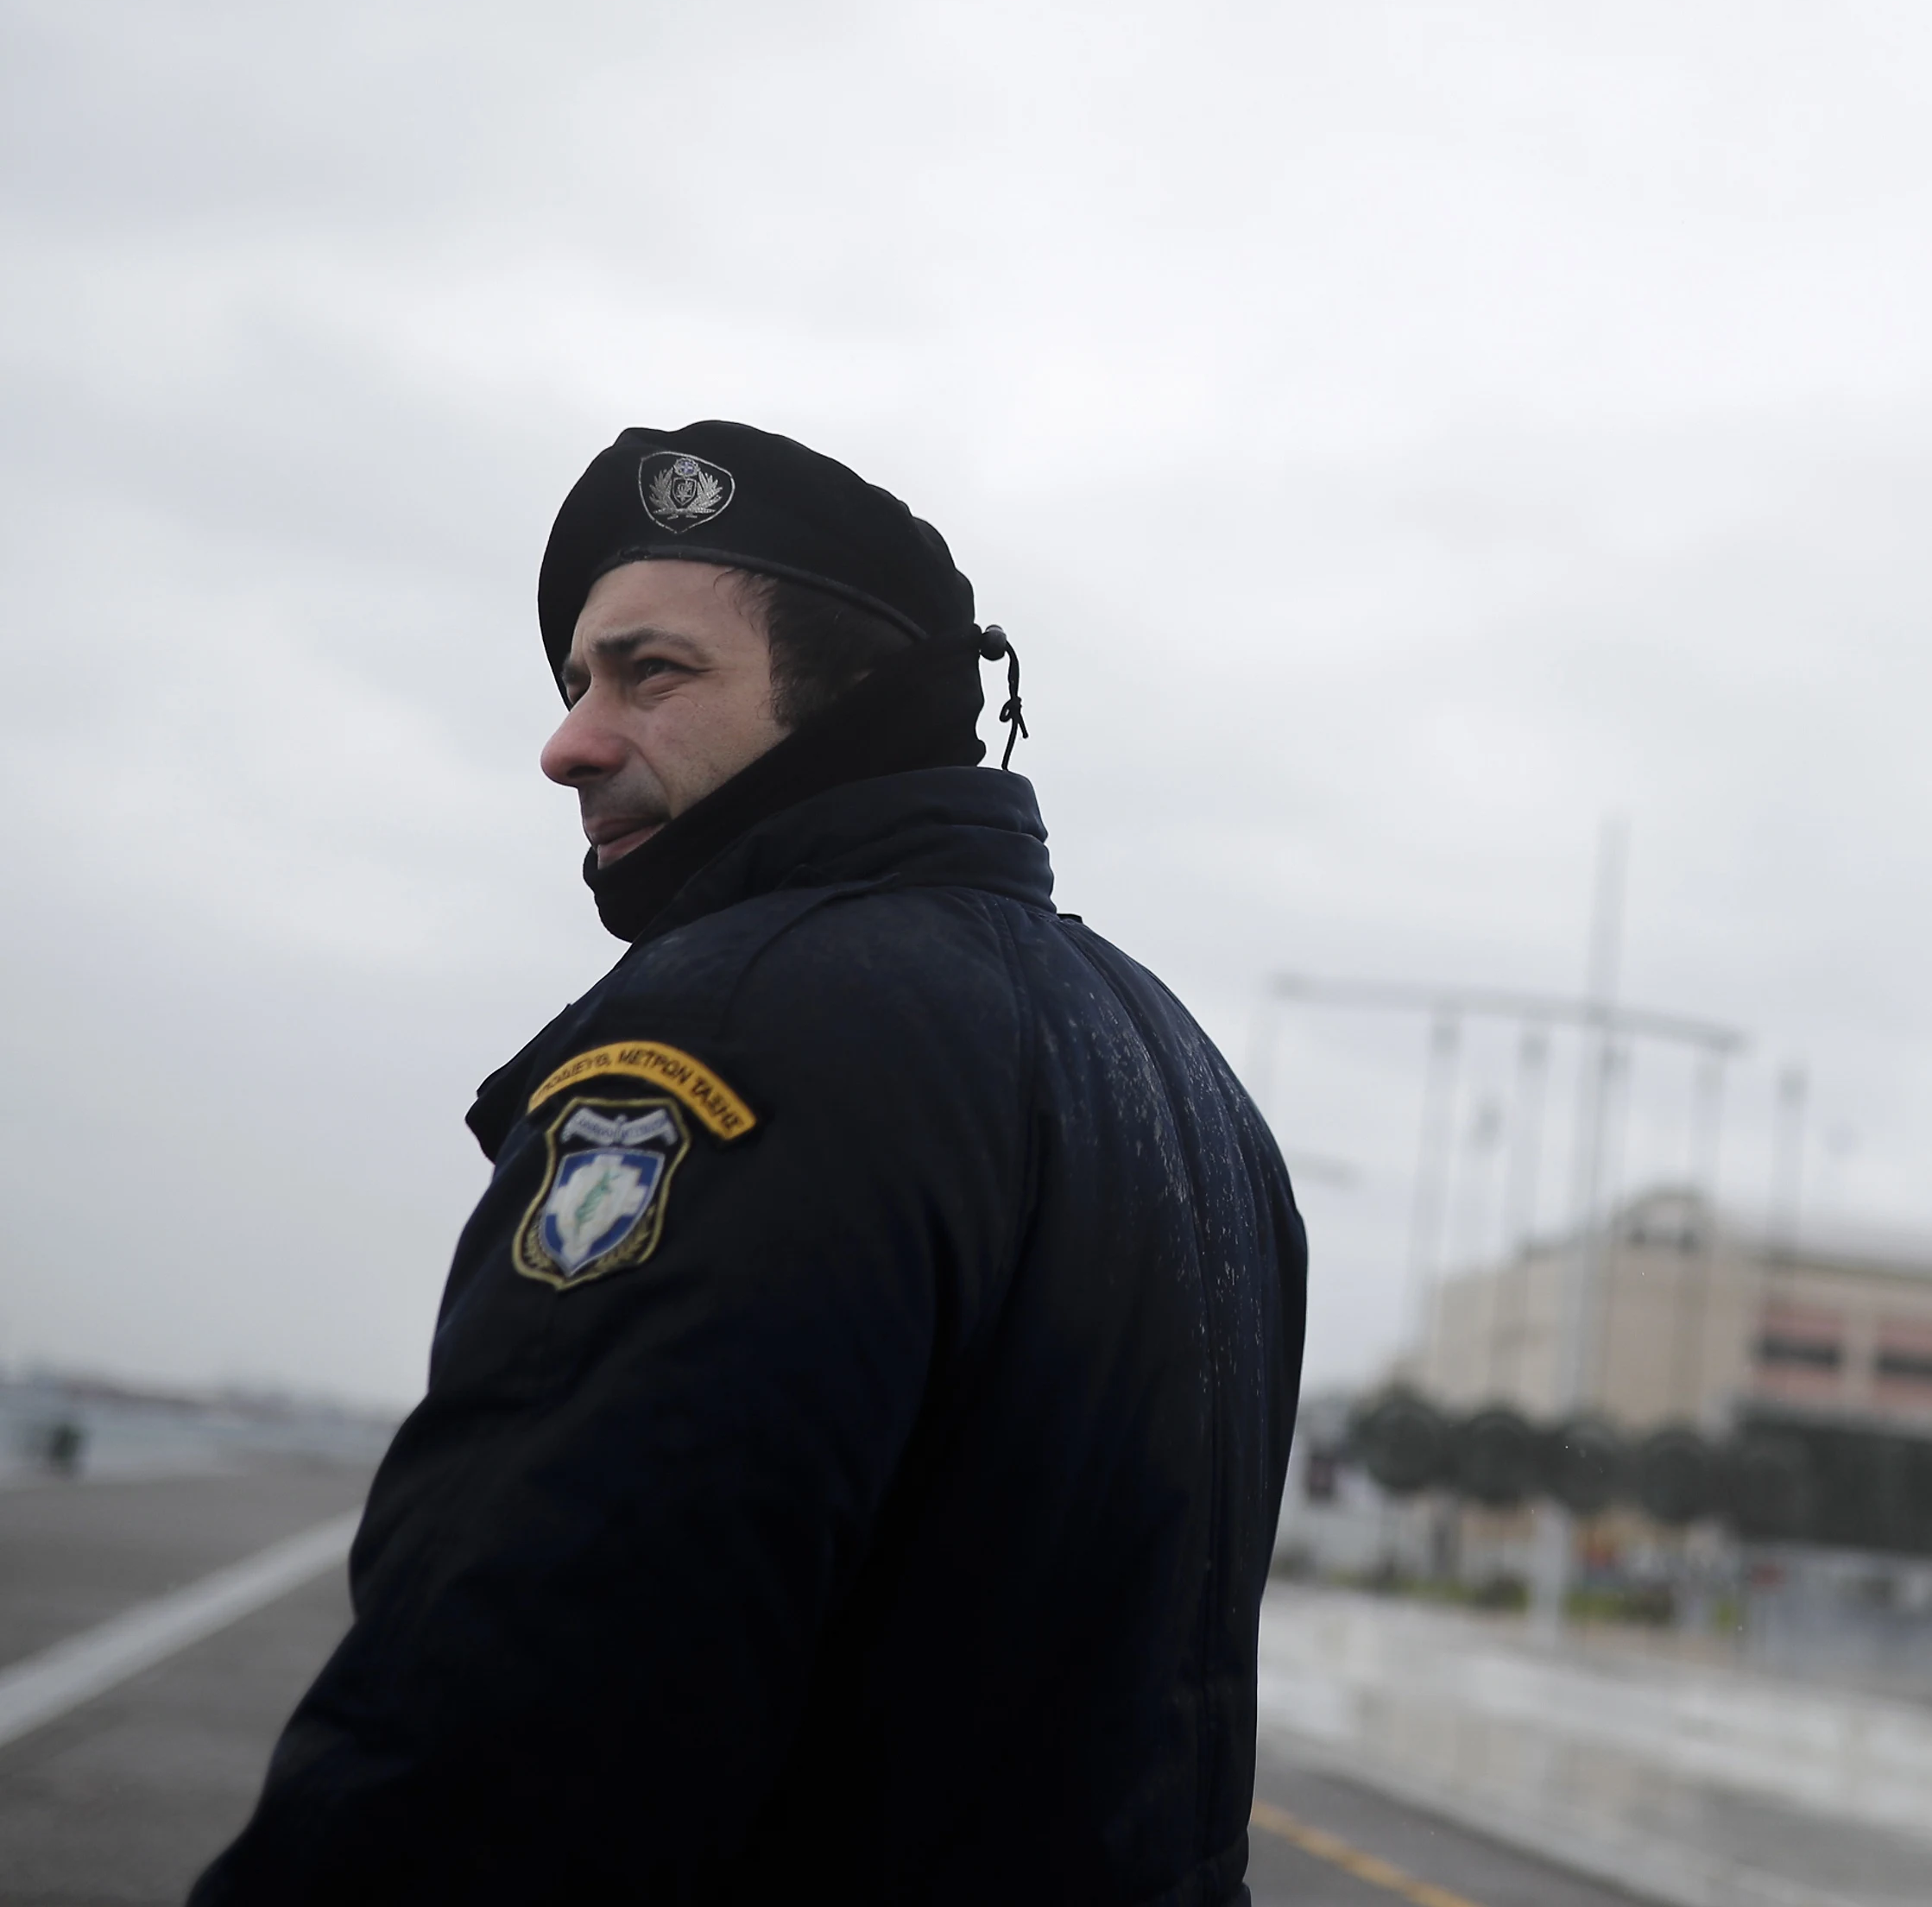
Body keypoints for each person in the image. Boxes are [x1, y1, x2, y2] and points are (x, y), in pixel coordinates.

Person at [194, 422, 1308, 1904]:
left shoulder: (729, 1037)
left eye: (649, 674)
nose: (568, 744)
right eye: (576, 685)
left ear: (850, 698)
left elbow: (505, 1723)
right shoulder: (1182, 1075)